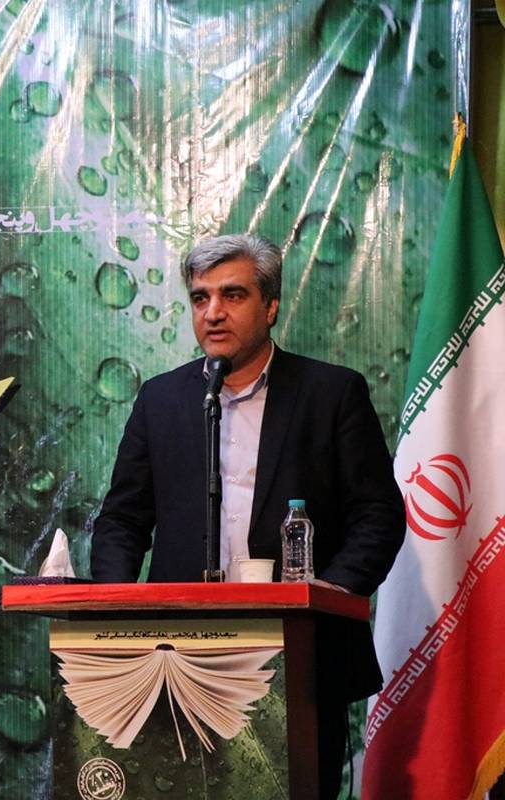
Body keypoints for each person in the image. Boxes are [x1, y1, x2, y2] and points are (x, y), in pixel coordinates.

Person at [90, 233, 405, 798]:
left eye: (232, 295)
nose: (213, 312)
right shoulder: (161, 400)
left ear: (271, 306)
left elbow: (378, 514)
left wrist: (330, 591)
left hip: (299, 658)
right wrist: (117, 617)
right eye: (200, 297)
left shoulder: (331, 393)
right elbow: (122, 520)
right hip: (178, 659)